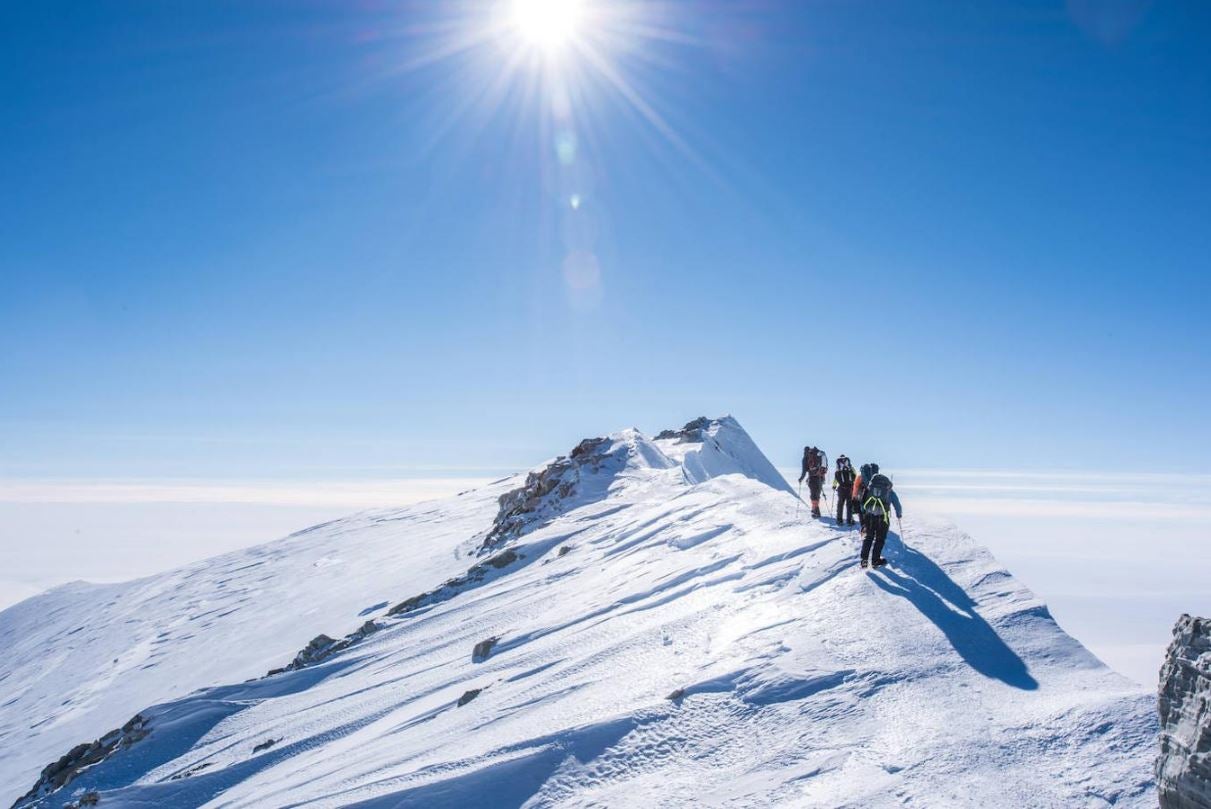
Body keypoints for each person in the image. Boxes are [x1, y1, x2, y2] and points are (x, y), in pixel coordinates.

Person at [859, 467, 902, 569]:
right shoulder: (889, 491)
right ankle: (875, 561)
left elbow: (862, 503)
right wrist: (898, 514)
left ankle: (864, 560)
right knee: (880, 539)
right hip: (883, 518)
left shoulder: (869, 489)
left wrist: (864, 513)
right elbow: (897, 504)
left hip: (869, 516)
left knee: (868, 538)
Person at [797, 446, 828, 518]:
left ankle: (815, 511)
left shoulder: (805, 459)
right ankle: (816, 510)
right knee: (817, 495)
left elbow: (804, 472)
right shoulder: (818, 455)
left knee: (813, 495)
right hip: (820, 478)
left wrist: (801, 479)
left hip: (812, 478)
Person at [832, 455, 857, 526]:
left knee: (840, 504)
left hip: (841, 488)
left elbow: (836, 478)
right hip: (850, 488)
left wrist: (834, 486)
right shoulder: (851, 468)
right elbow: (855, 476)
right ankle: (849, 520)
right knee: (849, 505)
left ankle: (839, 520)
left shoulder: (838, 469)